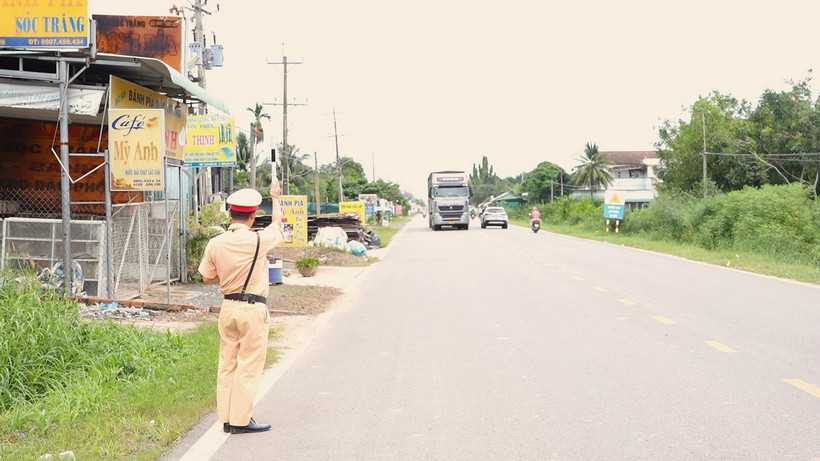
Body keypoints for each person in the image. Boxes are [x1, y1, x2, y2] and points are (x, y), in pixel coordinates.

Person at [198, 178, 284, 435]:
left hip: (228, 308)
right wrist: (275, 197)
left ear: (229, 214)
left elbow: (207, 278)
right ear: (253, 216)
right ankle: (240, 420)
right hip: (253, 309)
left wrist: (229, 277)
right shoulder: (258, 241)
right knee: (249, 364)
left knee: (227, 364)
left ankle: (226, 418)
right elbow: (277, 226)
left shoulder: (215, 243)